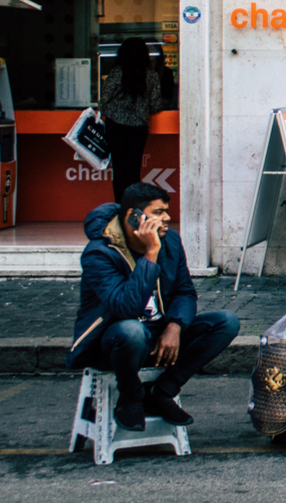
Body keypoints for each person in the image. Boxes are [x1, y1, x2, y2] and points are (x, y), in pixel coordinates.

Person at [66, 183, 240, 431]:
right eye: (158, 212)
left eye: (166, 211)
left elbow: (184, 291)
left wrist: (175, 326)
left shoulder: (171, 240)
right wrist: (151, 253)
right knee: (132, 331)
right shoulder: (99, 254)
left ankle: (162, 392)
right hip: (115, 345)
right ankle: (131, 396)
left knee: (226, 322)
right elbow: (126, 308)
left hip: (159, 338)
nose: (167, 218)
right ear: (133, 217)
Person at [100, 38, 162, 203]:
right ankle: (132, 209)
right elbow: (155, 105)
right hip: (138, 128)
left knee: (119, 170)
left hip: (115, 126)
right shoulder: (151, 76)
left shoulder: (116, 72)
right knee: (133, 171)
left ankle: (120, 208)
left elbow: (103, 101)